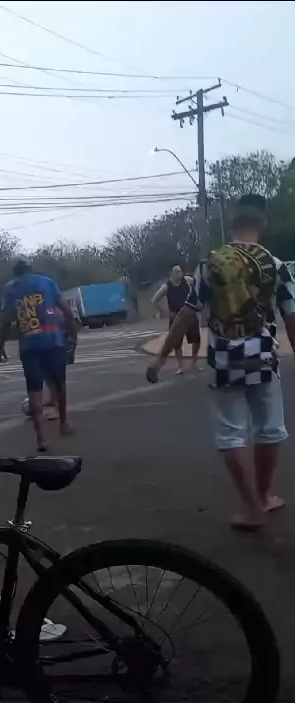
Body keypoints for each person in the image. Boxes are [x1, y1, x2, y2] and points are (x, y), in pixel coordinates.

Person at [147, 194, 295, 530]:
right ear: (263, 223)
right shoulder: (276, 265)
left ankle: (252, 509)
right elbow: (291, 317)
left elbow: (187, 315)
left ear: (232, 222)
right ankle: (265, 496)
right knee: (270, 428)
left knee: (231, 434)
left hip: (225, 361)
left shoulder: (210, 264)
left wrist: (160, 359)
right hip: (264, 359)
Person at [0, 257, 77, 452]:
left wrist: (1, 345)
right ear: (31, 270)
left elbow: (6, 321)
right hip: (53, 341)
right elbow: (67, 311)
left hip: (29, 345)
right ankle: (63, 423)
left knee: (34, 391)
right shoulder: (47, 282)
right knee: (59, 384)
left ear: (16, 274)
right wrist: (72, 335)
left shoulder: (10, 289)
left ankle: (41, 438)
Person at [152, 264, 201, 374]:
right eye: (177, 271)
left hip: (190, 314)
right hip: (176, 317)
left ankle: (194, 364)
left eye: (180, 271)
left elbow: (197, 284)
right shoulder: (166, 287)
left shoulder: (187, 280)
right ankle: (181, 367)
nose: (179, 274)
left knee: (196, 341)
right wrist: (165, 312)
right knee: (177, 343)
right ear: (171, 273)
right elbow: (154, 300)